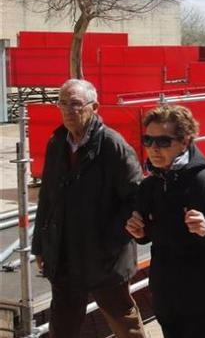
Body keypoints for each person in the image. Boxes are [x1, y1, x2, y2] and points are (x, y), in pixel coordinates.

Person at [125, 105, 205, 338]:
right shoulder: (150, 185)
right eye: (148, 140)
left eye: (163, 141)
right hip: (168, 298)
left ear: (184, 142)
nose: (154, 149)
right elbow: (148, 235)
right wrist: (139, 231)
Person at [32, 79, 147, 338]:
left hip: (104, 258)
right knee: (62, 326)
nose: (68, 111)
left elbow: (136, 197)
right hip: (64, 255)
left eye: (75, 104)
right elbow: (47, 199)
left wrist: (109, 241)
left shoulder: (112, 145)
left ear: (93, 107)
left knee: (123, 321)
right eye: (62, 103)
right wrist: (40, 244)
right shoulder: (57, 143)